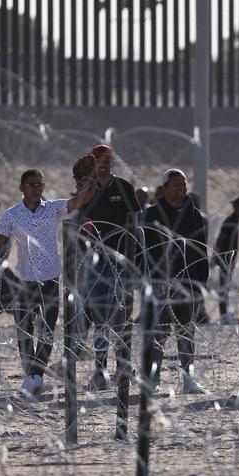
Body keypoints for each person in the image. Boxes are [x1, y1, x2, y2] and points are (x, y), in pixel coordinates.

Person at [0, 165, 96, 395]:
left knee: (47, 330)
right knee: (24, 331)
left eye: (40, 184)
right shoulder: (12, 214)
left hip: (50, 278)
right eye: (32, 184)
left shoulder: (53, 209)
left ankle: (35, 376)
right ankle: (33, 376)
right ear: (22, 187)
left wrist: (92, 181)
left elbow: (81, 199)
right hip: (24, 280)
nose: (37, 189)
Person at [142, 168, 210, 394]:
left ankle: (188, 379)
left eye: (183, 185)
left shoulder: (194, 214)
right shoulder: (151, 215)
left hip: (188, 281)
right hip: (160, 282)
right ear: (164, 189)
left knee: (186, 332)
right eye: (175, 185)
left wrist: (202, 282)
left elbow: (201, 250)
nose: (180, 189)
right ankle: (153, 379)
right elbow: (144, 251)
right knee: (158, 333)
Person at [80, 144, 142, 391]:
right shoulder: (85, 190)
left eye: (107, 159)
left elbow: (134, 226)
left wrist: (134, 261)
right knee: (100, 318)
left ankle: (124, 367)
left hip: (120, 262)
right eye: (98, 160)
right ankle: (100, 371)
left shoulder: (124, 188)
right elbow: (78, 225)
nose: (103, 164)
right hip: (95, 262)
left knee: (122, 317)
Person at [214, 195, 239, 323]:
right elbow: (220, 239)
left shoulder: (235, 220)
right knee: (224, 287)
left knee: (226, 286)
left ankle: (224, 313)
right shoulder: (230, 221)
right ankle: (223, 314)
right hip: (225, 258)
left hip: (228, 259)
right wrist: (217, 257)